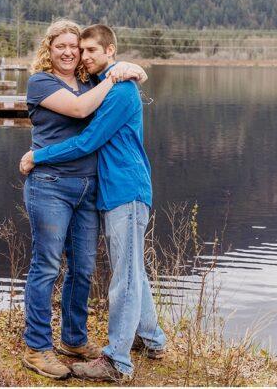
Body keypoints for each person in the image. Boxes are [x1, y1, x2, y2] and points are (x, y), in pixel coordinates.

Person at [19, 24, 166, 382]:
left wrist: (39, 155)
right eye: (67, 47)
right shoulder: (45, 82)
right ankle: (40, 347)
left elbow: (88, 141)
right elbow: (82, 112)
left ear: (108, 51)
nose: (76, 54)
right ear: (48, 49)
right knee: (53, 265)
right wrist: (119, 71)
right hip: (59, 187)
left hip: (108, 189)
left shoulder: (104, 86)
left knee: (102, 270)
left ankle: (103, 351)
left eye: (82, 48)